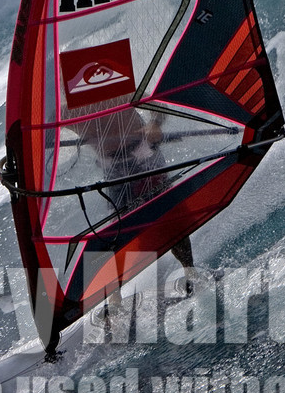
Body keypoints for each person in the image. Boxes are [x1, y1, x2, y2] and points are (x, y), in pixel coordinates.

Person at [69, 101, 195, 271]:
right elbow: (40, 132)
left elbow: (159, 105)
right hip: (114, 170)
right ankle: (114, 296)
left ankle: (190, 271)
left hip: (144, 157)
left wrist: (154, 124)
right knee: (114, 234)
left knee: (169, 218)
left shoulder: (112, 91)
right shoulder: (64, 110)